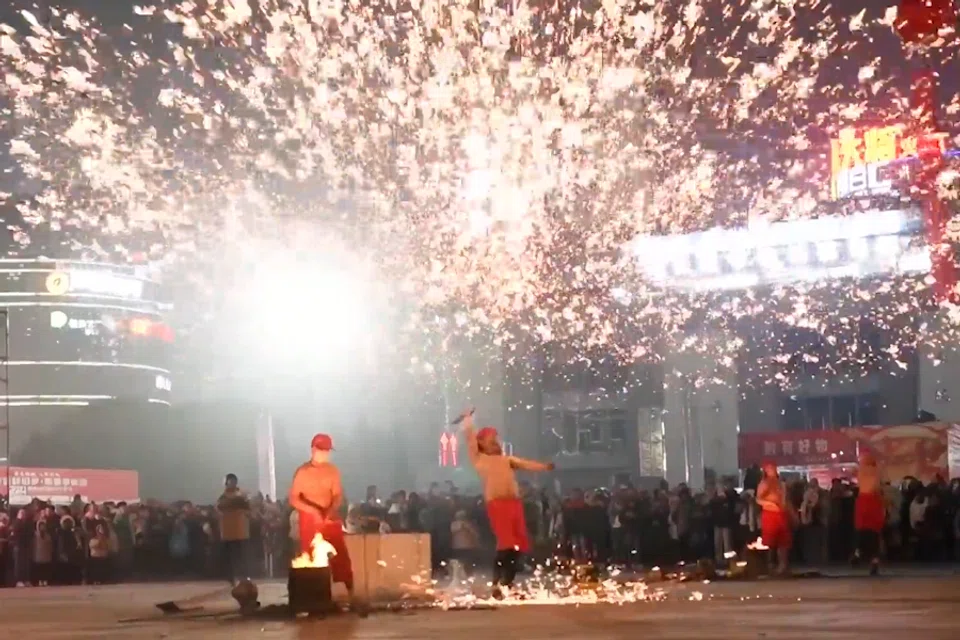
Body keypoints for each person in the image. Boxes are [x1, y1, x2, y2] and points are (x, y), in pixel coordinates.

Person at [460, 408, 554, 599]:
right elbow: (470, 439)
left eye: (496, 439)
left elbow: (526, 464)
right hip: (498, 505)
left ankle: (508, 584)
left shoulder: (507, 459)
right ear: (482, 444)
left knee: (517, 545)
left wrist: (544, 467)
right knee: (506, 544)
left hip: (515, 505)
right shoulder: (479, 459)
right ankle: (496, 584)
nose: (496, 442)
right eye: (491, 439)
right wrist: (469, 421)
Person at [288, 433, 359, 609]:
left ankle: (351, 594)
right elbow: (294, 499)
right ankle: (313, 600)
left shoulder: (332, 471)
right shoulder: (302, 472)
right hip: (309, 521)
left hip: (329, 520)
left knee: (340, 556)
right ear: (313, 450)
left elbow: (337, 495)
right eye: (323, 450)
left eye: (328, 451)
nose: (326, 454)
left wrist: (330, 510)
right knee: (311, 558)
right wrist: (313, 511)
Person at [756, 461, 791, 576]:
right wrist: (770, 504)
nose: (773, 470)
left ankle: (783, 565)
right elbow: (758, 499)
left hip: (781, 514)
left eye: (774, 468)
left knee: (784, 541)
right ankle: (770, 565)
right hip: (770, 514)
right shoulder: (764, 483)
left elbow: (785, 500)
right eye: (770, 468)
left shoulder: (781, 483)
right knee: (770, 541)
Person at [217, 473, 251, 585]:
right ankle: (230, 577)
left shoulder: (241, 495)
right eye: (229, 481)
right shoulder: (222, 497)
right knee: (229, 557)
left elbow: (248, 508)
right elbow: (220, 507)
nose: (231, 483)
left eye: (233, 481)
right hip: (227, 531)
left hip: (240, 531)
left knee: (241, 556)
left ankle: (243, 576)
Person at [854, 451, 884, 575]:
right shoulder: (876, 472)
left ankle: (858, 553)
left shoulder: (860, 472)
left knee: (862, 532)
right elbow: (877, 488)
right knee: (874, 534)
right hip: (873, 502)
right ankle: (874, 561)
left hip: (862, 501)